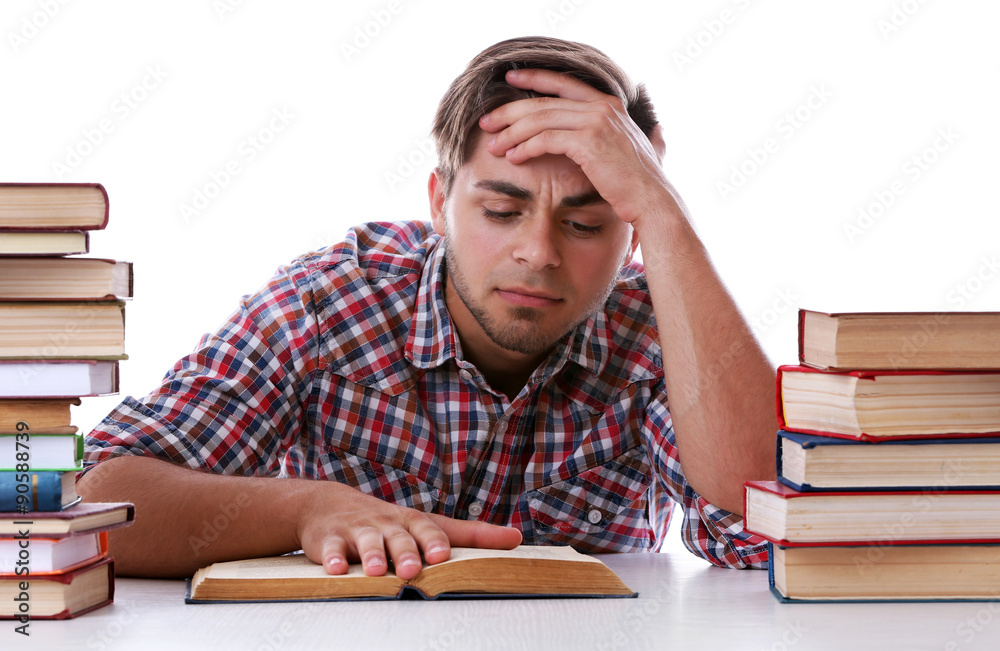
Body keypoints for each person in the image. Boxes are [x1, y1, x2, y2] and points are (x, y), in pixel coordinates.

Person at [80, 36, 779, 579]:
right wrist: (305, 507)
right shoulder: (326, 304)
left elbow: (770, 513)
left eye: (588, 223)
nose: (538, 251)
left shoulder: (662, 329)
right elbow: (96, 500)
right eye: (502, 209)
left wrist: (662, 210)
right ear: (440, 202)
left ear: (630, 238)